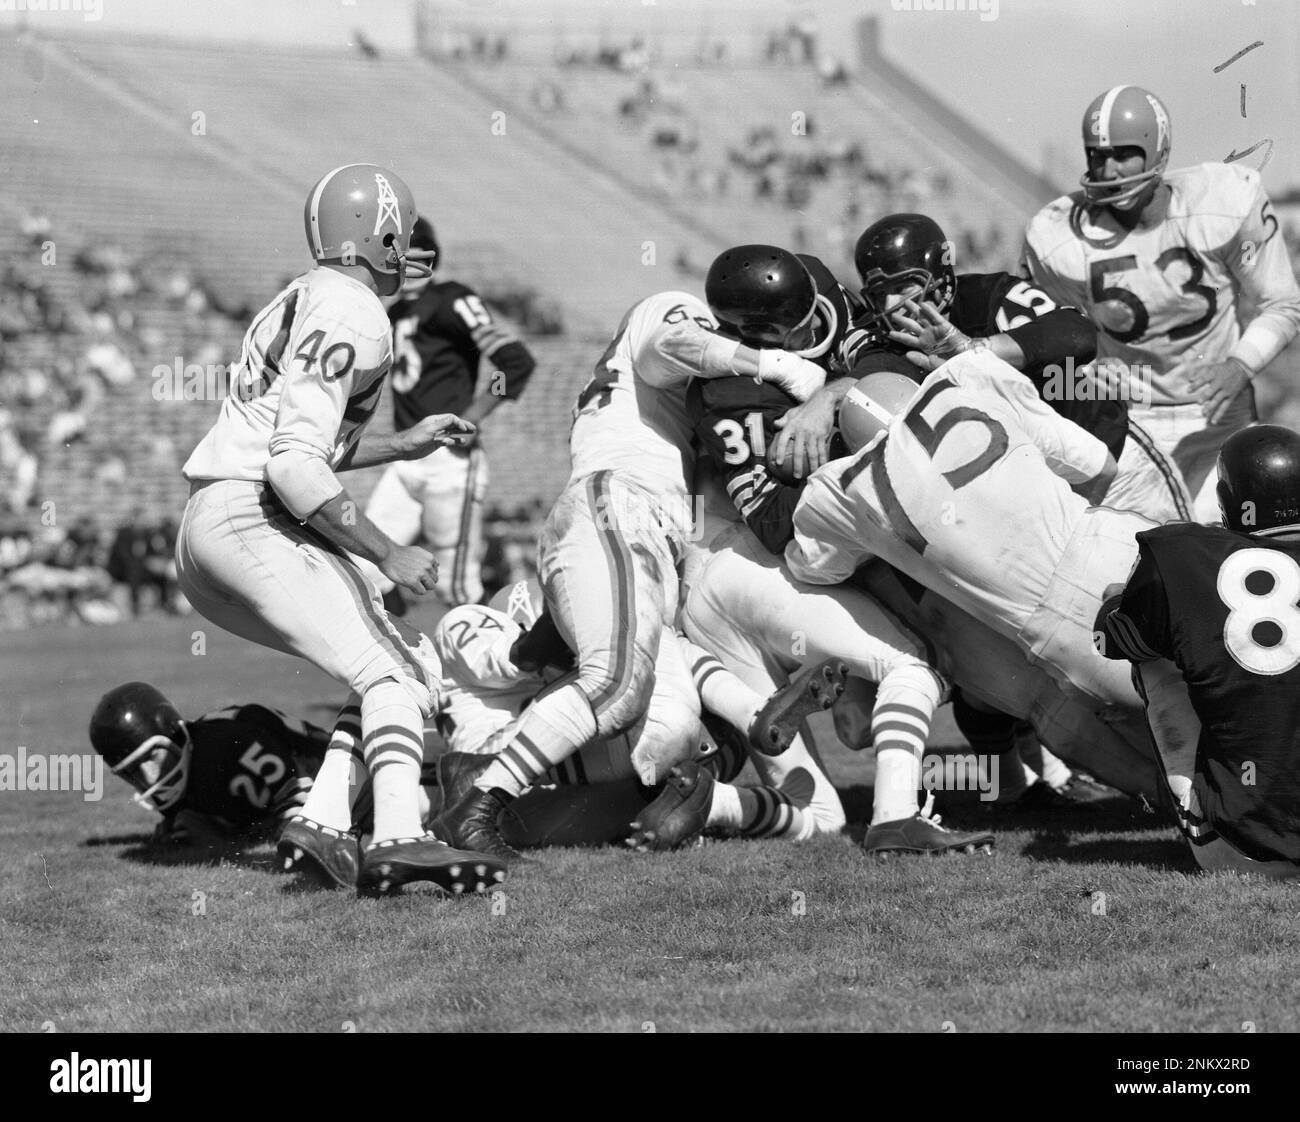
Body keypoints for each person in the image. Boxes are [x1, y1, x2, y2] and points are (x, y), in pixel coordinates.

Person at [174, 163, 503, 898]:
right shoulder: (352, 308)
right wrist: (387, 549)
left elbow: (300, 438)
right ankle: (396, 837)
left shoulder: (302, 296)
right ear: (378, 233)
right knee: (396, 667)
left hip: (210, 528)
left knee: (403, 658)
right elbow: (294, 465)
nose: (407, 251)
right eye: (401, 236)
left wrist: (401, 443)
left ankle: (323, 819)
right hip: (252, 514)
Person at [436, 272, 829, 862]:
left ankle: (487, 773)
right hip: (619, 507)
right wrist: (773, 364)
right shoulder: (673, 311)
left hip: (649, 538)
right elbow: (668, 343)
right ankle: (481, 801)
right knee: (615, 682)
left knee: (668, 733)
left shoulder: (687, 390)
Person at [785, 355, 1165, 799]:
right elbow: (1100, 468)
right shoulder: (969, 377)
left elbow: (811, 566)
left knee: (1151, 712)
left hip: (1050, 619)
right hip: (1121, 545)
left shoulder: (840, 486)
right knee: (1227, 670)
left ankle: (1190, 810)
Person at [1023, 85, 1300, 520]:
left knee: (1227, 550)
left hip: (1217, 421)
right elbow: (1042, 333)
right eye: (1097, 155)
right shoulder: (1059, 236)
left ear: (1157, 151)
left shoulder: (1221, 202)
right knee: (1129, 562)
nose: (1109, 169)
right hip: (1128, 421)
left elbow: (1283, 304)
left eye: (1123, 153)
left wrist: (1239, 366)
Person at [1096, 424, 1300, 878]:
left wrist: (1119, 601)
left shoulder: (1183, 554)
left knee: (1153, 658)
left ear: (1230, 499)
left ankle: (1204, 810)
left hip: (1247, 853)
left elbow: (1114, 641)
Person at [359, 217, 537, 613]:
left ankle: (498, 665)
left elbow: (515, 362)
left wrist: (473, 415)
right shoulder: (395, 312)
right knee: (366, 566)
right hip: (405, 457)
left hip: (447, 461)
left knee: (457, 589)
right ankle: (402, 655)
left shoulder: (452, 299)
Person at [89, 682, 332, 847]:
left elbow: (302, 808)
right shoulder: (181, 773)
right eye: (133, 772)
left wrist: (226, 835)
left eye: (151, 756)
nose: (150, 776)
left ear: (172, 733)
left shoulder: (231, 743)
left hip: (341, 768)